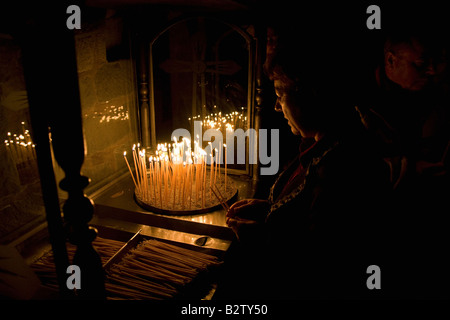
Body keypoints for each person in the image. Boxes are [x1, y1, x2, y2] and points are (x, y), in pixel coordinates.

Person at [215, 32, 392, 299]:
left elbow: (318, 267)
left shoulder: (343, 168)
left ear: (310, 95)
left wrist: (260, 239)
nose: (276, 106)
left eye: (280, 93)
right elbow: (304, 216)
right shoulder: (324, 144)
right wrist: (270, 209)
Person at [355, 27, 450, 297]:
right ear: (390, 60)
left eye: (435, 62)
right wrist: (408, 168)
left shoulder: (436, 95)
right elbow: (347, 168)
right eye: (421, 64)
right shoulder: (356, 99)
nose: (432, 70)